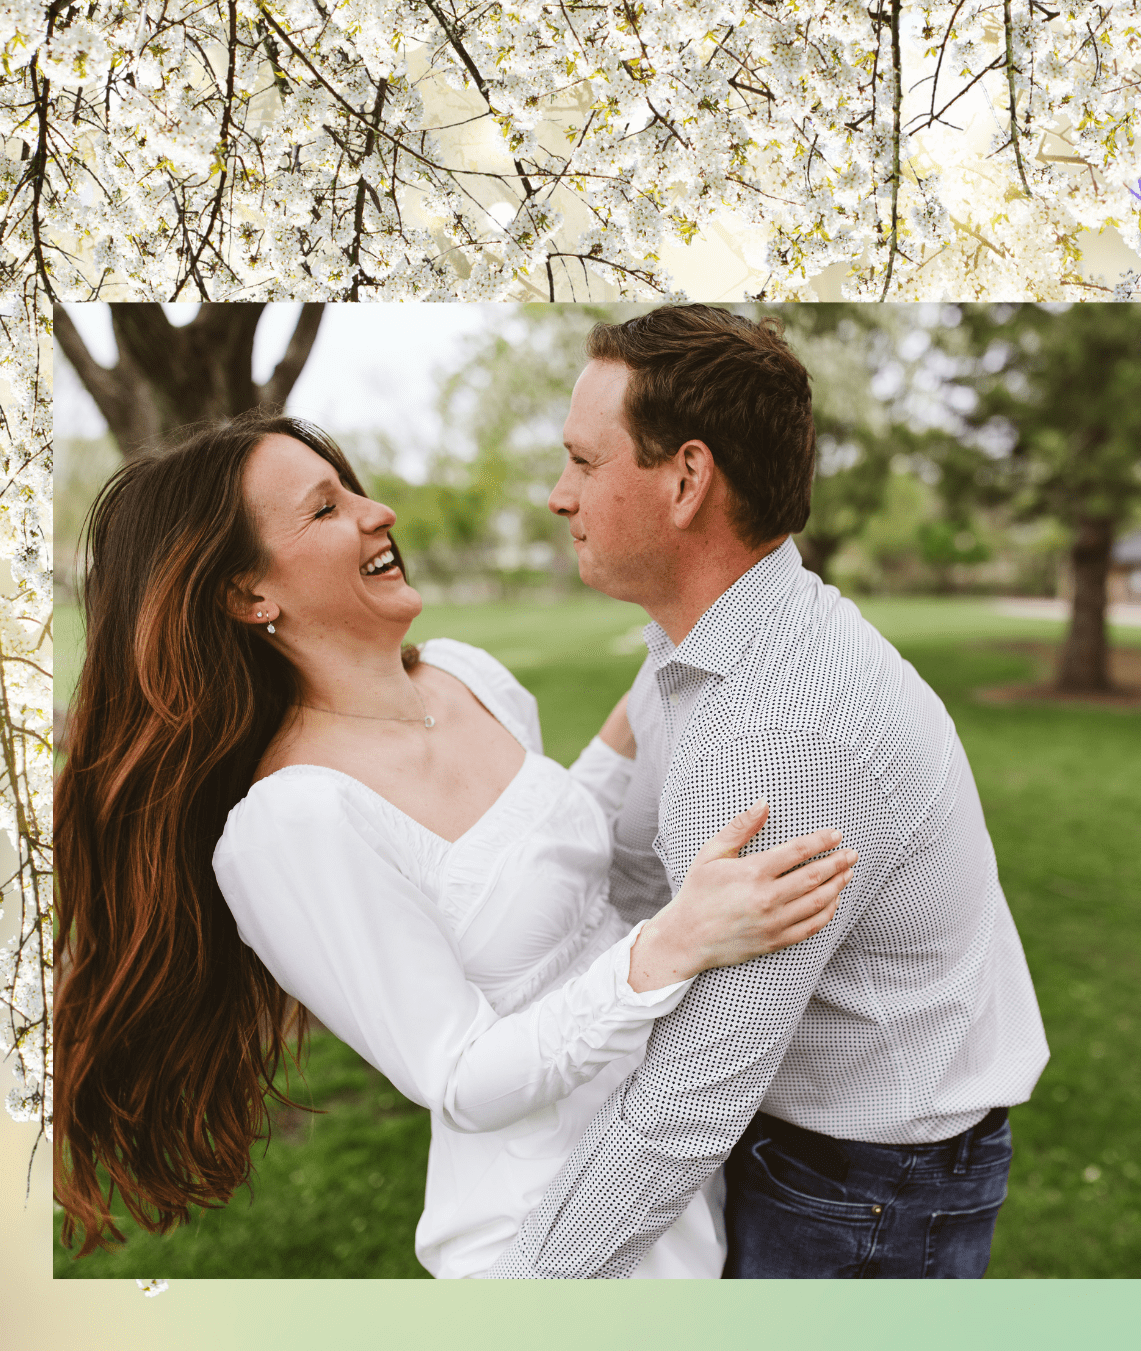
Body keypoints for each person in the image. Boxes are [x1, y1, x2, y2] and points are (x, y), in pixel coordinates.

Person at [53, 415, 857, 1277]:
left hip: (672, 1168)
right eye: (325, 509)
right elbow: (461, 1077)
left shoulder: (462, 675)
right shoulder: (292, 821)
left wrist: (667, 665)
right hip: (542, 1233)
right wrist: (672, 945)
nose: (378, 512)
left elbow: (540, 854)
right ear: (248, 593)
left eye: (352, 488)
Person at [487, 306, 1049, 1279]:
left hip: (864, 1197)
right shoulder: (703, 648)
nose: (557, 495)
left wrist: (517, 1297)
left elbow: (690, 1100)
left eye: (581, 461)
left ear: (686, 480)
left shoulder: (783, 732)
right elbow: (624, 867)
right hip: (826, 1160)